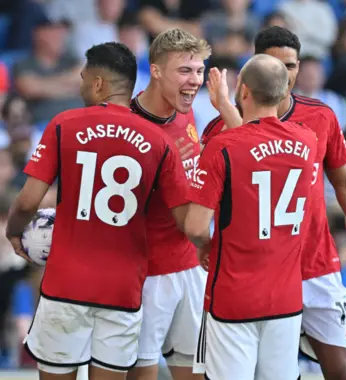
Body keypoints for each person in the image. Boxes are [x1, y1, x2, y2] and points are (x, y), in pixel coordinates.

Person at [5, 42, 190, 380]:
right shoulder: (159, 141)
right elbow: (184, 219)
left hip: (66, 283)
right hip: (123, 286)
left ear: (99, 83)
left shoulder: (64, 124)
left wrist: (14, 230)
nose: (80, 84)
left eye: (82, 77)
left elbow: (29, 200)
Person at [203, 26, 346, 379]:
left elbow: (343, 182)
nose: (285, 74)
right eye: (276, 65)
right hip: (257, 274)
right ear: (256, 66)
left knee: (343, 371)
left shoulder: (321, 116)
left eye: (291, 66)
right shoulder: (219, 131)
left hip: (316, 263)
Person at [184, 54, 318, 380]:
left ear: (243, 91)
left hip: (233, 293)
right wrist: (228, 109)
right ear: (285, 90)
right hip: (286, 297)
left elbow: (196, 226)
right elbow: (260, 145)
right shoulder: (307, 141)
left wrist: (206, 245)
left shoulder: (222, 146)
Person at [127, 28, 211, 380]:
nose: (194, 81)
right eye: (185, 71)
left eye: (199, 71)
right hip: (147, 274)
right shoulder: (127, 126)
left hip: (191, 266)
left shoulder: (185, 110)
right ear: (156, 71)